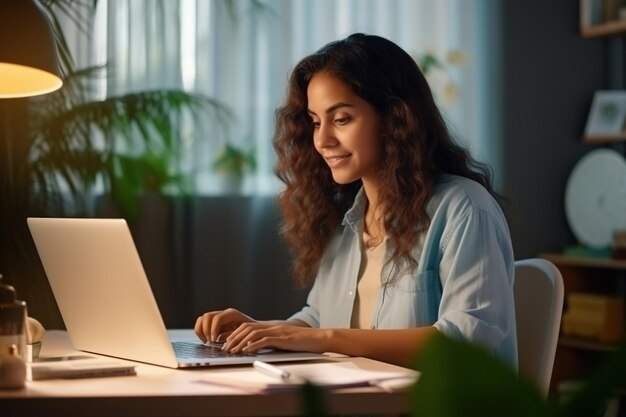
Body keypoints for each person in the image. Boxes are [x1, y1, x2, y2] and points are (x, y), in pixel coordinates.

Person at [195, 33, 517, 370]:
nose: (322, 139)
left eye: (341, 119)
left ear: (394, 117)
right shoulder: (346, 219)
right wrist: (264, 331)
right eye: (316, 122)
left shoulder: (464, 209)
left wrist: (327, 339)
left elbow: (466, 341)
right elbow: (321, 319)